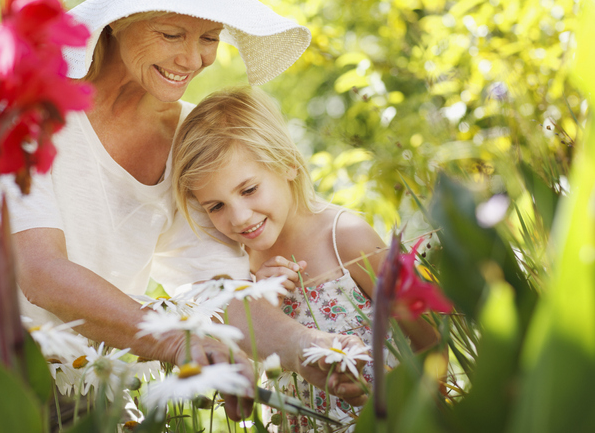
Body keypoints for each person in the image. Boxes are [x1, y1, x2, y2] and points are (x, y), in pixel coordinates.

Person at [0, 0, 369, 423]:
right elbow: (41, 273)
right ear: (118, 20)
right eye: (172, 33)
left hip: (77, 372)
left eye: (210, 37)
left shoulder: (191, 140)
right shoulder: (27, 106)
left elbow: (217, 287)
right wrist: (176, 340)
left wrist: (308, 350)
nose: (192, 58)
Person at [172, 86, 442, 428]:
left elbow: (432, 342)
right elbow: (253, 362)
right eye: (216, 206)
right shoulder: (238, 264)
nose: (239, 217)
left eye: (249, 189)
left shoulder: (346, 237)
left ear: (287, 164)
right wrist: (261, 301)